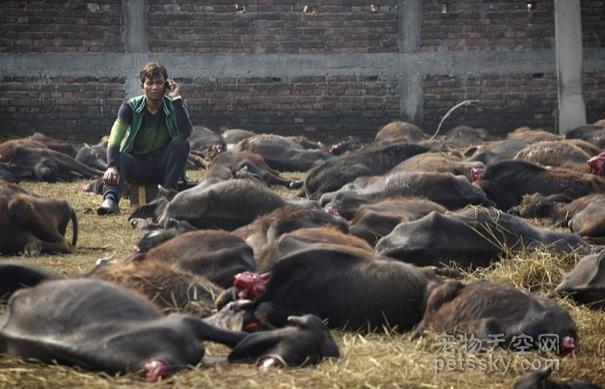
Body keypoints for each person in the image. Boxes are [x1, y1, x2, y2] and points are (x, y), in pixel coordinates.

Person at [97, 62, 193, 215]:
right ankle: (110, 200)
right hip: (137, 166)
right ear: (143, 86)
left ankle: (166, 195)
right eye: (150, 83)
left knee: (181, 143)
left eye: (159, 83)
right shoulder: (130, 107)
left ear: (166, 85)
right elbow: (115, 137)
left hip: (163, 167)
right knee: (120, 158)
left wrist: (177, 99)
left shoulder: (173, 106)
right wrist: (112, 166)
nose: (155, 87)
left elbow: (186, 132)